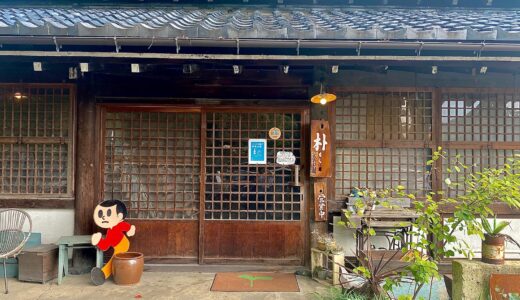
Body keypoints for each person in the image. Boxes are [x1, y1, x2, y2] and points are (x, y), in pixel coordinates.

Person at [90, 199, 136, 286]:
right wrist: (98, 240)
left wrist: (131, 230)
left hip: (123, 244)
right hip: (117, 246)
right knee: (114, 260)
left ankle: (103, 274)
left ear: (119, 216)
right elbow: (105, 246)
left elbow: (128, 227)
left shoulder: (119, 225)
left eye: (108, 213)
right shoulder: (109, 232)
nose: (103, 217)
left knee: (114, 259)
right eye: (101, 214)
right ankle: (103, 274)